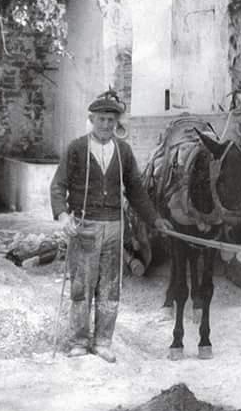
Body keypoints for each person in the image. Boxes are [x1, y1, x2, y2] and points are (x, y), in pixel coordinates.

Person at [50, 89, 173, 363]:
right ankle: (79, 341)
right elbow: (58, 186)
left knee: (110, 287)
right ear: (92, 119)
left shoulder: (123, 151)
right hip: (85, 226)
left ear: (116, 123)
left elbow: (136, 191)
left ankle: (103, 342)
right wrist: (63, 217)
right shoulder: (77, 149)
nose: (106, 125)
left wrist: (154, 219)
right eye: (101, 119)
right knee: (82, 286)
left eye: (111, 120)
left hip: (115, 228)